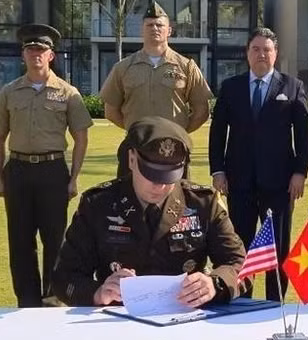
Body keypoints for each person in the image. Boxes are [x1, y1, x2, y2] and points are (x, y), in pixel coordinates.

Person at [52, 116, 248, 307]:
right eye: (152, 174)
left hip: (186, 321)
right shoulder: (98, 204)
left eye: (169, 177)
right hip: (117, 321)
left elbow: (242, 264)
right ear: (131, 159)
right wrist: (98, 292)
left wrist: (214, 284)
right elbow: (64, 277)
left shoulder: (203, 203)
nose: (160, 186)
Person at [0, 23, 94, 308]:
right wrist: (0, 177)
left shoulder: (68, 93)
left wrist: (73, 177)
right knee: (20, 240)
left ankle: (53, 295)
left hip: (52, 170)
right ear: (22, 55)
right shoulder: (9, 92)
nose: (36, 54)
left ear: (51, 56)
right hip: (19, 171)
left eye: (41, 50)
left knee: (55, 238)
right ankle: (27, 299)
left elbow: (81, 138)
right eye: (30, 49)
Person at [208, 27, 308, 301]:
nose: (261, 54)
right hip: (238, 182)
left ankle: (274, 302)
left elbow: (303, 136)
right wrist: (217, 170)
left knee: (278, 248)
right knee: (240, 244)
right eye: (256, 49)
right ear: (247, 53)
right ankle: (243, 300)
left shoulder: (292, 87)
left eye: (267, 49)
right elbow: (217, 133)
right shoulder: (231, 88)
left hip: (279, 184)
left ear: (276, 54)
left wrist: (300, 173)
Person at [100, 0, 212, 177]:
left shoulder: (186, 66)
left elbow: (202, 111)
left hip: (173, 146)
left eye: (160, 24)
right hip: (136, 146)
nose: (155, 28)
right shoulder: (123, 68)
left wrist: (177, 131)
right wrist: (138, 130)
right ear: (142, 30)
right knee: (130, 199)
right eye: (149, 25)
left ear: (169, 30)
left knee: (176, 199)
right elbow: (111, 111)